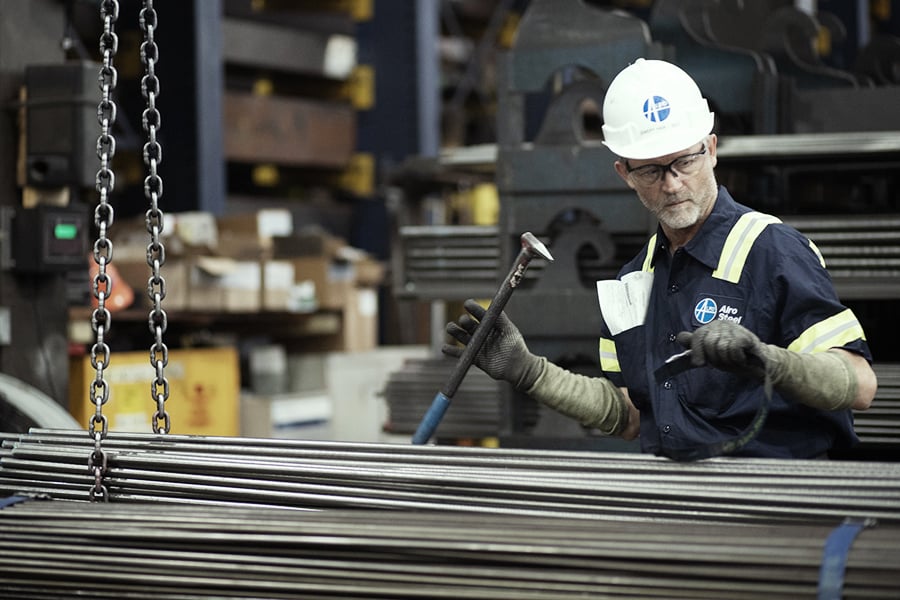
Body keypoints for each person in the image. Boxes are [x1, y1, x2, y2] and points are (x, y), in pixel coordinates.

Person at [444, 58, 878, 459]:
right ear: (624, 174)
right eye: (651, 170)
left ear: (710, 149)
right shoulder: (633, 281)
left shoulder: (773, 250)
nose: (671, 184)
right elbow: (631, 414)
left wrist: (768, 360)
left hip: (779, 495)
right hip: (681, 505)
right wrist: (530, 371)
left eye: (684, 161)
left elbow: (859, 383)